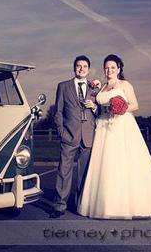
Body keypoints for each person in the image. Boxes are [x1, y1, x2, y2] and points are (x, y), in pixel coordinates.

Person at [77, 54, 151, 219]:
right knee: (105, 165)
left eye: (113, 67)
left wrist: (120, 108)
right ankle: (105, 205)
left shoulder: (125, 84)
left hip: (121, 126)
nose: (109, 70)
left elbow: (135, 105)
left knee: (123, 163)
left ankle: (127, 205)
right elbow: (98, 105)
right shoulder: (102, 87)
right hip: (103, 126)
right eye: (107, 68)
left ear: (119, 69)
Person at [50, 55, 99, 218]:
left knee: (84, 173)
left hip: (88, 136)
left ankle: (81, 205)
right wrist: (61, 132)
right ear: (74, 68)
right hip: (69, 135)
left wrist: (94, 107)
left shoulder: (95, 88)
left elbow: (101, 112)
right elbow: (58, 112)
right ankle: (59, 206)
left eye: (85, 66)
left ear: (89, 69)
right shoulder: (63, 86)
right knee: (64, 171)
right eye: (79, 66)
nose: (81, 68)